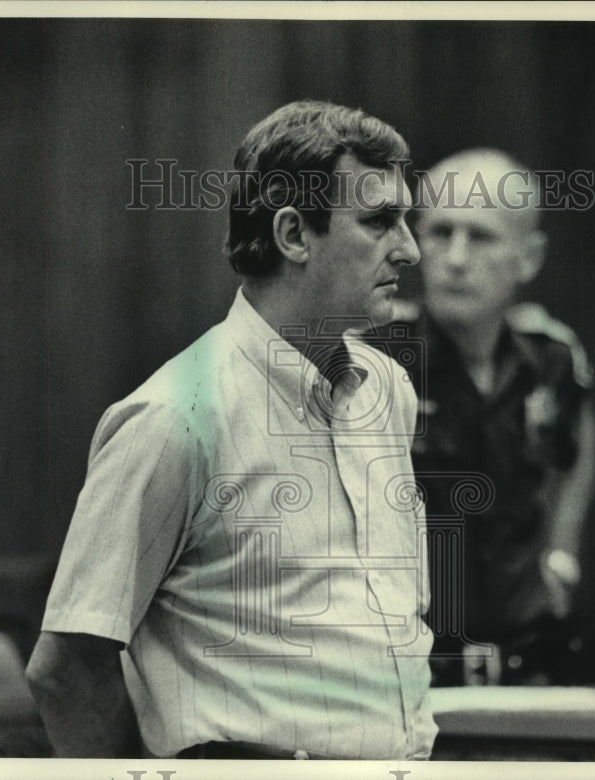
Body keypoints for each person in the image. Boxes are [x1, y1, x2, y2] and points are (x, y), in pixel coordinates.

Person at [25, 101, 437, 760]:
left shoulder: (389, 392)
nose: (411, 250)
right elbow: (67, 667)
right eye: (380, 221)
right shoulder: (174, 417)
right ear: (294, 235)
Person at [385, 148, 595, 687]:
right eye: (440, 232)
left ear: (528, 258)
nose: (456, 258)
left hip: (529, 668)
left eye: (480, 237)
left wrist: (561, 557)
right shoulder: (377, 357)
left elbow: (577, 450)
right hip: (411, 677)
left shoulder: (553, 358)